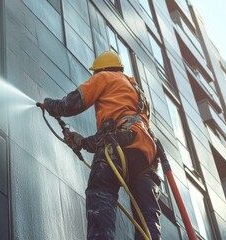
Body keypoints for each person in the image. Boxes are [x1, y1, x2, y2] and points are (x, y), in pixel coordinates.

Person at [43, 51, 161, 240]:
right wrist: (82, 142)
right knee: (147, 216)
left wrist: (49, 105)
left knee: (101, 192)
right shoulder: (137, 92)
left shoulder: (105, 77)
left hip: (121, 147)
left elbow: (72, 104)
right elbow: (119, 134)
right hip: (147, 156)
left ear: (101, 69)